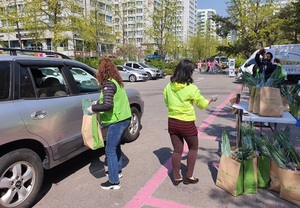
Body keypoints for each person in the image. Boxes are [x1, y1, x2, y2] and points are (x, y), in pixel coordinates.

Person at [163, 59, 217, 186]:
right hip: (187, 123)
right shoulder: (191, 88)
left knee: (177, 150)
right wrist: (210, 99)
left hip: (172, 122)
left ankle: (176, 177)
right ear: (188, 73)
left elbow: (166, 103)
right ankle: (189, 176)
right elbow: (202, 104)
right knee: (193, 147)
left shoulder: (168, 87)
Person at [87, 58, 132, 190]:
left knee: (110, 150)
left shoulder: (108, 84)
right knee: (116, 146)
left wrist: (93, 108)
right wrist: (98, 103)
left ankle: (113, 182)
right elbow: (110, 101)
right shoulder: (115, 82)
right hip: (124, 118)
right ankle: (117, 171)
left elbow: (107, 105)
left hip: (117, 121)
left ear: (101, 71)